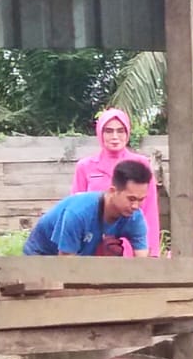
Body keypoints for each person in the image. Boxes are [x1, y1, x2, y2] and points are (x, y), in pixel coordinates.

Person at [72, 108, 161, 256]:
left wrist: (152, 253)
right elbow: (75, 209)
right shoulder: (85, 167)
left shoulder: (141, 164)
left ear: (127, 133)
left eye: (120, 131)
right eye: (108, 131)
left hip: (132, 247)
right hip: (93, 246)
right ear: (100, 133)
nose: (115, 136)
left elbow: (150, 210)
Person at [23, 159, 152, 256]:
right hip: (43, 255)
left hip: (82, 257)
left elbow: (142, 262)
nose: (136, 206)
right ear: (113, 191)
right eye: (131, 199)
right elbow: (66, 265)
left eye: (141, 200)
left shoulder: (135, 217)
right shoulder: (78, 213)